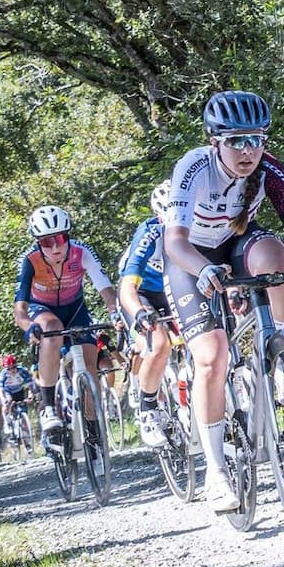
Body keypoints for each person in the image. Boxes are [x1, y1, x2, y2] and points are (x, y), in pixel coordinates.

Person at [164, 90, 284, 513]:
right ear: (214, 140)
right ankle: (216, 471)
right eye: (236, 141)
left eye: (255, 139)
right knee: (212, 356)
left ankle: (280, 353)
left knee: (276, 253)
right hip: (191, 258)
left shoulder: (268, 168)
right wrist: (203, 270)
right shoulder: (193, 168)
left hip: (237, 242)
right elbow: (175, 242)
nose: (248, 150)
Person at [12, 205, 117, 447]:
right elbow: (20, 310)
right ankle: (49, 408)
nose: (56, 247)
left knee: (90, 364)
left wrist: (115, 314)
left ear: (67, 236)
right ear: (38, 243)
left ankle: (93, 432)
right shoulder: (29, 260)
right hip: (44, 310)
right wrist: (29, 326)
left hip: (76, 310)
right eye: (47, 242)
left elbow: (106, 290)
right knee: (51, 328)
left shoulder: (82, 252)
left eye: (60, 238)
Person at [117, 180, 177, 448]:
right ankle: (147, 409)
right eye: (169, 217)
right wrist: (139, 313)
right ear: (159, 215)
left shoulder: (200, 227)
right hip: (140, 292)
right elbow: (128, 286)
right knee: (158, 343)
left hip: (173, 288)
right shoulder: (149, 233)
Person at [0, 354, 34, 451]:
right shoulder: (3, 375)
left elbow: (30, 386)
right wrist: (4, 401)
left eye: (14, 367)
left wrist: (31, 395)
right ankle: (7, 423)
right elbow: (0, 391)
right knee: (8, 401)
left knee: (23, 421)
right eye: (9, 368)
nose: (12, 370)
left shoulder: (23, 371)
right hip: (8, 392)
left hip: (19, 391)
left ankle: (27, 444)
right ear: (5, 368)